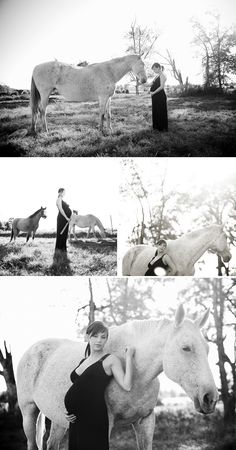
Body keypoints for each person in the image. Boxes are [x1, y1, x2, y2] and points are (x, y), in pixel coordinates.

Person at [64, 321, 135, 450]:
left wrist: (129, 358)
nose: (99, 340)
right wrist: (68, 412)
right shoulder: (83, 361)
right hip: (76, 420)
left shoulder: (110, 360)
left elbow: (127, 385)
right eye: (95, 336)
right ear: (87, 337)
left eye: (103, 337)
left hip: (94, 416)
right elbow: (80, 389)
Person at [150, 63, 168, 131]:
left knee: (160, 111)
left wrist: (153, 93)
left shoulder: (162, 75)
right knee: (156, 111)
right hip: (155, 96)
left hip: (160, 96)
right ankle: (156, 127)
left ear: (158, 68)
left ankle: (162, 127)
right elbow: (151, 84)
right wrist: (143, 83)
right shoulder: (157, 76)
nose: (154, 70)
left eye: (154, 69)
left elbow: (161, 87)